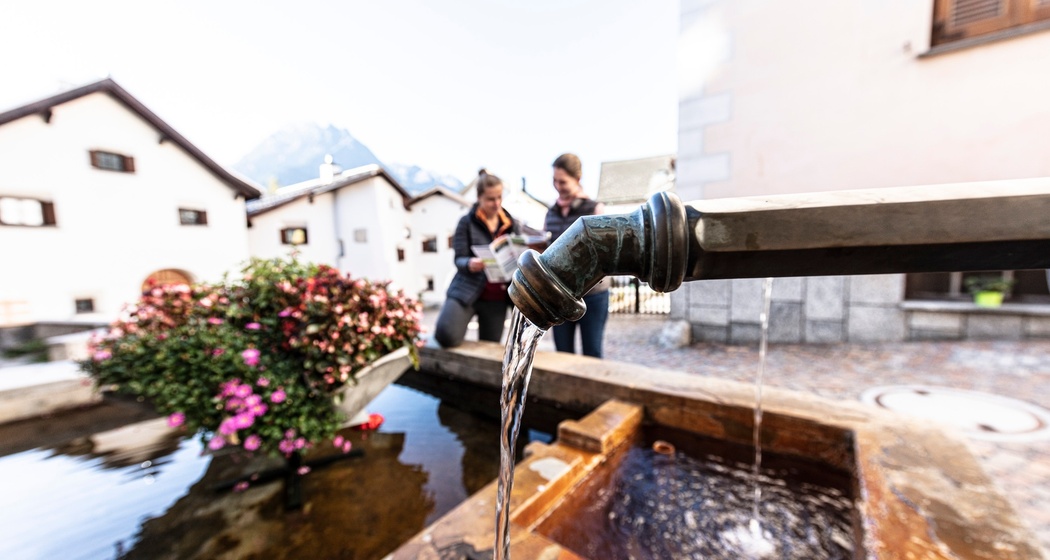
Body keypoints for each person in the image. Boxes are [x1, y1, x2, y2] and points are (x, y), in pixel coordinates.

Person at [434, 169, 522, 348]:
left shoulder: (513, 225)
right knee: (446, 335)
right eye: (490, 199)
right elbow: (458, 259)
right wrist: (469, 263)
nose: (496, 203)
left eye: (499, 197)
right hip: (467, 289)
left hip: (497, 297)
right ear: (479, 198)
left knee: (489, 347)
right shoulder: (465, 223)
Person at [544, 153, 609, 358]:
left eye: (562, 181)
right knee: (563, 355)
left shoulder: (594, 209)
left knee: (592, 353)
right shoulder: (550, 213)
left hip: (593, 295)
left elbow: (604, 254)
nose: (557, 185)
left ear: (577, 179)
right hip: (560, 295)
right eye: (554, 180)